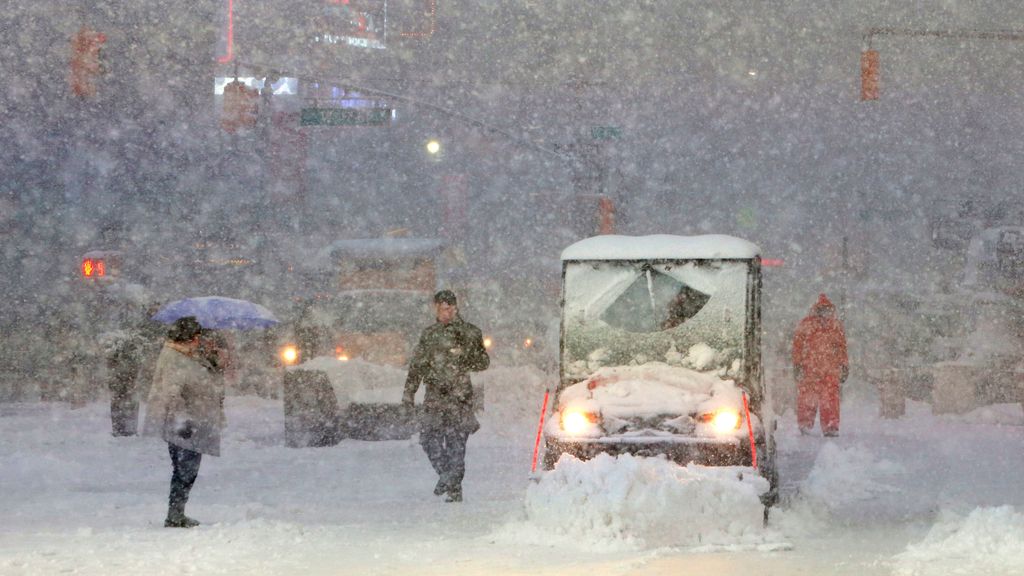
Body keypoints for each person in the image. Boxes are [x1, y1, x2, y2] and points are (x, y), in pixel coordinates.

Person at [402, 290, 489, 502]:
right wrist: (409, 393)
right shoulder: (429, 335)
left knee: (456, 444)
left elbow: (483, 362)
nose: (447, 313)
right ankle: (447, 476)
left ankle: (454, 490)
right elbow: (417, 366)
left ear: (456, 308)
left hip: (459, 396)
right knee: (428, 438)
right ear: (436, 309)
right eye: (442, 308)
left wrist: (464, 356)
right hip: (434, 396)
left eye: (450, 308)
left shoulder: (469, 332)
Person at [142, 316, 226, 528]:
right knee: (185, 471)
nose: (200, 341)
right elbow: (172, 394)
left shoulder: (185, 356)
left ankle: (176, 513)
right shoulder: (174, 359)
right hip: (185, 425)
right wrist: (182, 420)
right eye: (197, 337)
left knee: (184, 470)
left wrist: (213, 362)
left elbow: (204, 378)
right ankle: (175, 515)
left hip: (191, 421)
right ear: (189, 337)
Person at [792, 293, 849, 437]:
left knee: (829, 400)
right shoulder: (807, 324)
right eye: (821, 310)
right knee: (807, 398)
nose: (824, 313)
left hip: (828, 370)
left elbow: (842, 348)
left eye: (826, 310)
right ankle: (805, 425)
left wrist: (844, 365)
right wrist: (797, 364)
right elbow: (797, 346)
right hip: (811, 369)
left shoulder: (835, 326)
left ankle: (830, 426)